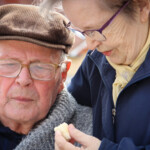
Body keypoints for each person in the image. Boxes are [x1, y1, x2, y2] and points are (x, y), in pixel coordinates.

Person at [40, 0, 150, 150]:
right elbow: (72, 105)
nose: (90, 45)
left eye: (97, 29)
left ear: (142, 7)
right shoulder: (96, 60)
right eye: (81, 31)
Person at [0, 4, 93, 150]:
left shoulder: (91, 134)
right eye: (9, 64)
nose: (23, 80)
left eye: (40, 67)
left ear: (62, 76)